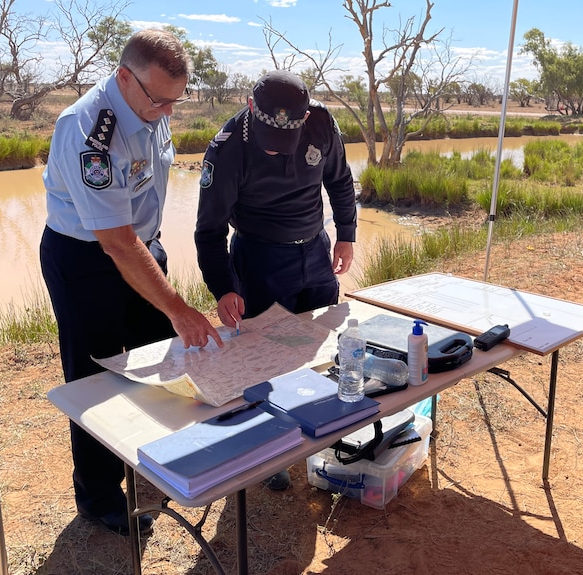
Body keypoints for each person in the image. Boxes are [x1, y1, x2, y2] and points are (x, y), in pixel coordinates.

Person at [39, 29, 223, 536]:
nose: (167, 111)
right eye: (159, 99)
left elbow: (144, 208)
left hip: (142, 247)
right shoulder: (88, 131)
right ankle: (98, 496)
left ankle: (152, 465)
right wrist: (180, 308)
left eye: (175, 101)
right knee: (96, 378)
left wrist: (161, 269)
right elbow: (116, 242)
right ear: (124, 77)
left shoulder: (150, 105)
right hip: (86, 258)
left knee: (157, 363)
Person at [195, 69, 358, 490]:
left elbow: (340, 181)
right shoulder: (227, 149)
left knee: (318, 344)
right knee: (265, 357)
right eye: (271, 146)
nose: (277, 154)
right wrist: (224, 287)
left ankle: (317, 426)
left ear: (305, 118)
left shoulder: (321, 122)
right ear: (251, 108)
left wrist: (346, 236)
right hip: (259, 257)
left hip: (315, 250)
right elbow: (210, 231)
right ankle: (269, 451)